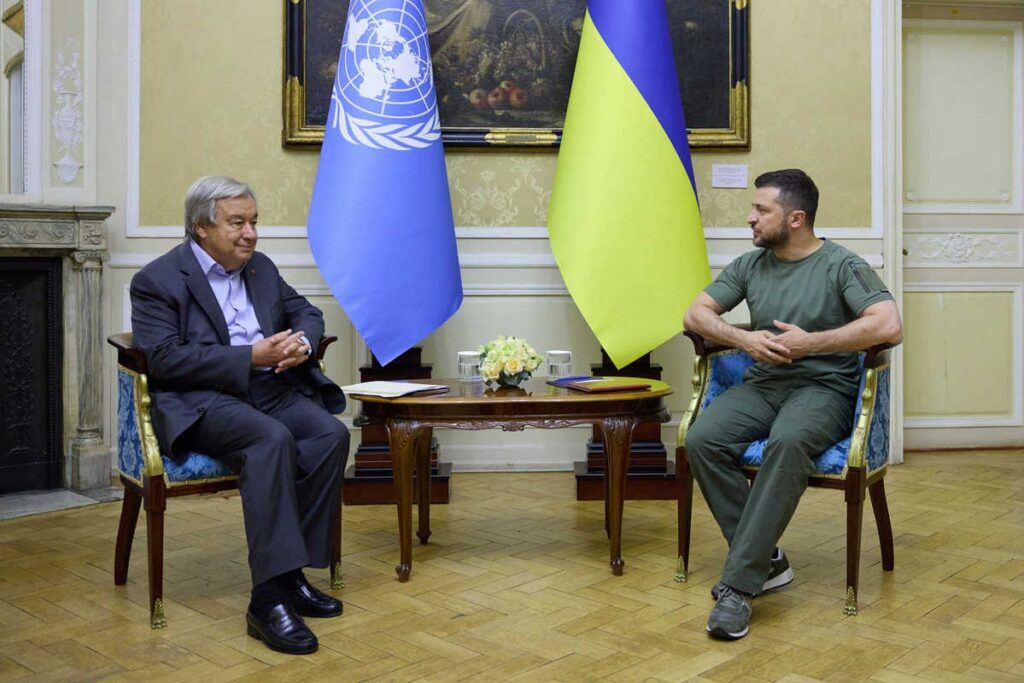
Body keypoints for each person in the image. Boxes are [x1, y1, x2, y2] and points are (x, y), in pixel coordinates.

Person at [130, 176, 350, 655]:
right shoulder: (157, 280)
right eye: (237, 223)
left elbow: (307, 312)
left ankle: (290, 576)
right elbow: (164, 359)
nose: (251, 233)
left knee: (329, 435)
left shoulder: (260, 267)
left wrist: (301, 343)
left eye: (253, 222)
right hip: (205, 399)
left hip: (270, 389)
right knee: (270, 440)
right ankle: (267, 601)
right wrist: (249, 356)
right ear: (201, 227)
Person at [682, 169, 903, 640]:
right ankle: (766, 560)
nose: (750, 217)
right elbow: (695, 314)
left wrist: (812, 343)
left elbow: (888, 325)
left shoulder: (842, 265)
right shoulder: (749, 265)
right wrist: (744, 339)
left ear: (796, 218)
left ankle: (739, 587)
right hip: (764, 386)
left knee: (787, 440)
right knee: (702, 439)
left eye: (761, 210)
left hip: (824, 390)